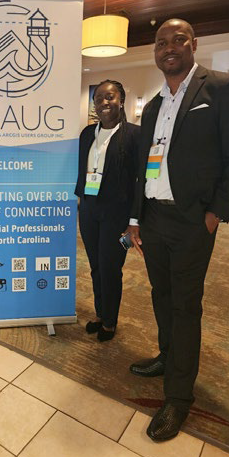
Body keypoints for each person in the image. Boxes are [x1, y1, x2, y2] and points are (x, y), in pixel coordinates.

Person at [127, 19, 229, 441]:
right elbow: (147, 162)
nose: (168, 47)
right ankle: (167, 355)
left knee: (185, 304)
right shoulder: (155, 104)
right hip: (155, 218)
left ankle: (178, 397)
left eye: (178, 40)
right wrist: (136, 217)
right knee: (162, 295)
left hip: (194, 221)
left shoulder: (223, 87)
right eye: (161, 42)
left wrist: (217, 211)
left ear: (193, 45)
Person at [75, 80, 140, 341]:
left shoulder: (135, 135)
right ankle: (101, 314)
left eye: (110, 97)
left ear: (121, 100)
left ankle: (110, 322)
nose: (104, 102)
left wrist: (134, 221)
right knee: (95, 266)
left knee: (112, 266)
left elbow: (140, 181)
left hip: (119, 215)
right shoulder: (86, 134)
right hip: (89, 210)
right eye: (99, 98)